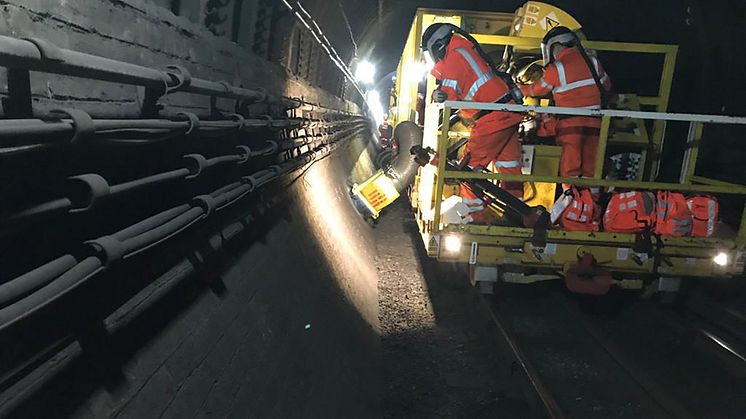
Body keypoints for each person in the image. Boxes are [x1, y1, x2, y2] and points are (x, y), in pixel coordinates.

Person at [421, 23, 525, 198]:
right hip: (507, 113)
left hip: (492, 120)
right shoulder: (463, 50)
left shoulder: (453, 58)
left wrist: (435, 95)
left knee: (467, 172)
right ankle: (517, 215)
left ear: (437, 46)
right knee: (510, 169)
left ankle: (475, 218)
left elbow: (447, 98)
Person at [520, 26, 612, 185]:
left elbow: (536, 90)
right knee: (592, 168)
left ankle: (573, 202)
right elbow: (607, 86)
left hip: (571, 126)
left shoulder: (557, 68)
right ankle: (592, 204)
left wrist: (518, 88)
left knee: (571, 170)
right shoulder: (593, 62)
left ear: (554, 46)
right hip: (596, 123)